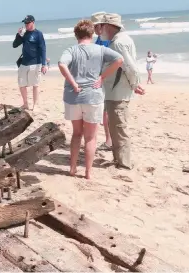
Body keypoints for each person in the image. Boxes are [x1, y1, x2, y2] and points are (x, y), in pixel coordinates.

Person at [57, 19, 124, 180]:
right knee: (90, 137)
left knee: (76, 134)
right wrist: (102, 77)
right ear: (92, 34)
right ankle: (88, 172)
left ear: (76, 35)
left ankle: (72, 169)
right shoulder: (100, 49)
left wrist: (73, 83)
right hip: (93, 97)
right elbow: (119, 60)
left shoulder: (71, 50)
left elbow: (61, 64)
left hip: (73, 97)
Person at [96, 13, 145, 170]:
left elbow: (129, 66)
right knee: (115, 126)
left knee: (119, 128)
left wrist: (134, 84)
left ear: (109, 26)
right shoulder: (122, 39)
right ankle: (119, 160)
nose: (100, 29)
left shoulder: (118, 43)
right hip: (116, 90)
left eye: (102, 25)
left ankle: (124, 163)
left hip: (118, 92)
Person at [12, 15, 48, 111]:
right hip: (24, 63)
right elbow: (14, 45)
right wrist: (19, 35)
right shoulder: (24, 34)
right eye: (25, 23)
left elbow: (43, 49)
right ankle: (25, 104)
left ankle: (35, 105)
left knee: (35, 84)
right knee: (21, 84)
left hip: (36, 63)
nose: (26, 25)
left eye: (28, 23)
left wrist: (44, 64)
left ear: (33, 22)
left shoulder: (38, 34)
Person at [91, 12, 113, 152]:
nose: (93, 29)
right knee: (105, 111)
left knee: (107, 111)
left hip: (107, 78)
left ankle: (110, 140)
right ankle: (109, 139)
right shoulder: (100, 38)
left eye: (95, 26)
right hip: (102, 78)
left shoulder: (108, 39)